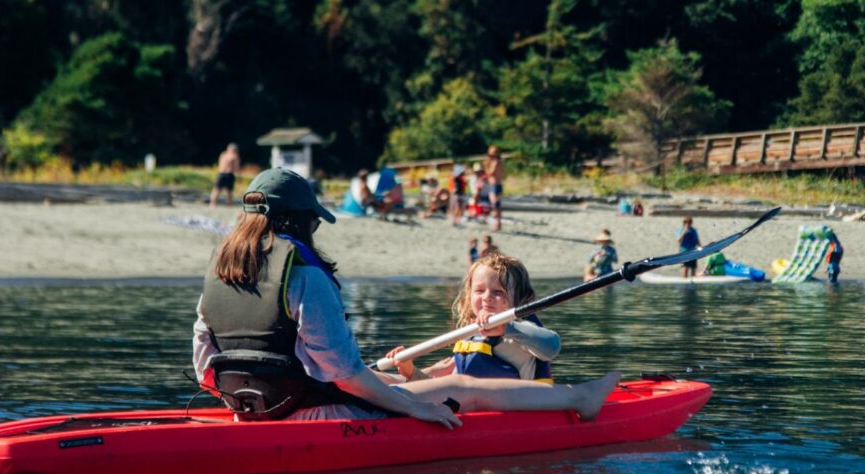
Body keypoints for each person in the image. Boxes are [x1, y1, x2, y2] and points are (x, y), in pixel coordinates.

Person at [192, 168, 619, 426]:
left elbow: (205, 371)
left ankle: (573, 395)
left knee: (398, 380)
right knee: (462, 387)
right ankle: (579, 397)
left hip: (247, 406)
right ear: (296, 222)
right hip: (314, 411)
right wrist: (414, 410)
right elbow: (344, 375)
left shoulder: (218, 273)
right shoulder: (303, 275)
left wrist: (250, 404)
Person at [387, 253, 559, 384]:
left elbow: (552, 347)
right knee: (379, 379)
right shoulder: (471, 335)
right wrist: (411, 372)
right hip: (467, 405)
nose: (487, 297)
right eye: (479, 291)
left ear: (520, 298)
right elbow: (445, 389)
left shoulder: (521, 331)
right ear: (469, 296)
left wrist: (506, 328)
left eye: (498, 292)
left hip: (517, 411)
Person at [485, 145, 505, 232]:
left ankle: (497, 224)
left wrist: (486, 166)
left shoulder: (496, 162)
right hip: (496, 185)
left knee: (495, 206)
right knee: (496, 206)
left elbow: (491, 173)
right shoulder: (498, 162)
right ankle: (498, 223)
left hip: (495, 185)